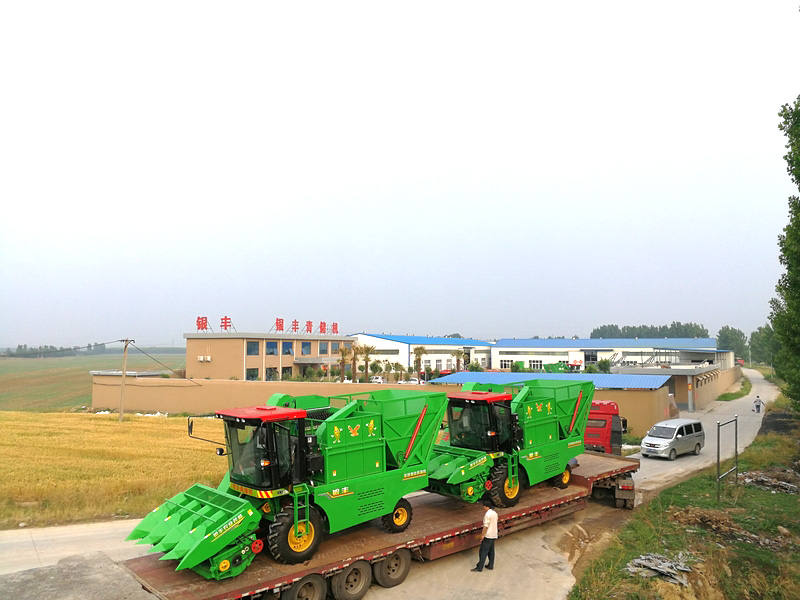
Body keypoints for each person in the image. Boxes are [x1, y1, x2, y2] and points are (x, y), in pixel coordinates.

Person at [471, 500, 498, 572]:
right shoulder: (494, 513)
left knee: (483, 552)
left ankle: (479, 568)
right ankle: (490, 565)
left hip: (488, 535)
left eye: (484, 506)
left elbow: (485, 526)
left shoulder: (487, 515)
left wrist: (482, 535)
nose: (483, 507)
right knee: (491, 551)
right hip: (493, 534)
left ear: (487, 507)